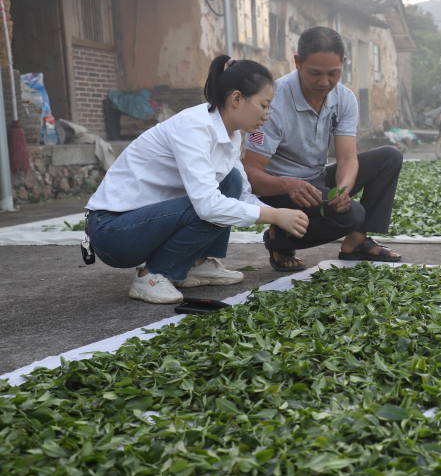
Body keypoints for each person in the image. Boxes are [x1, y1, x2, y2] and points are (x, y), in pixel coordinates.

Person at [85, 56, 309, 304]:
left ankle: (197, 263)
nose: (267, 115)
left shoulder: (231, 135)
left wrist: (278, 217)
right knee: (210, 204)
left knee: (232, 180)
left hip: (142, 223)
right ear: (236, 99)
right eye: (264, 105)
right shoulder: (194, 127)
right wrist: (276, 216)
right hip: (113, 232)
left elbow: (242, 193)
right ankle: (151, 276)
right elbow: (208, 206)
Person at [243, 27, 403, 272]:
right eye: (315, 73)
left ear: (344, 64)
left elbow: (348, 159)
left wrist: (342, 191)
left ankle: (356, 241)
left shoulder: (344, 98)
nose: (324, 82)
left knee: (389, 157)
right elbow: (251, 174)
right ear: (298, 62)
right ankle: (280, 238)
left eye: (333, 73)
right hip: (280, 188)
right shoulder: (273, 101)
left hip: (317, 180)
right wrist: (288, 185)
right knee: (351, 215)